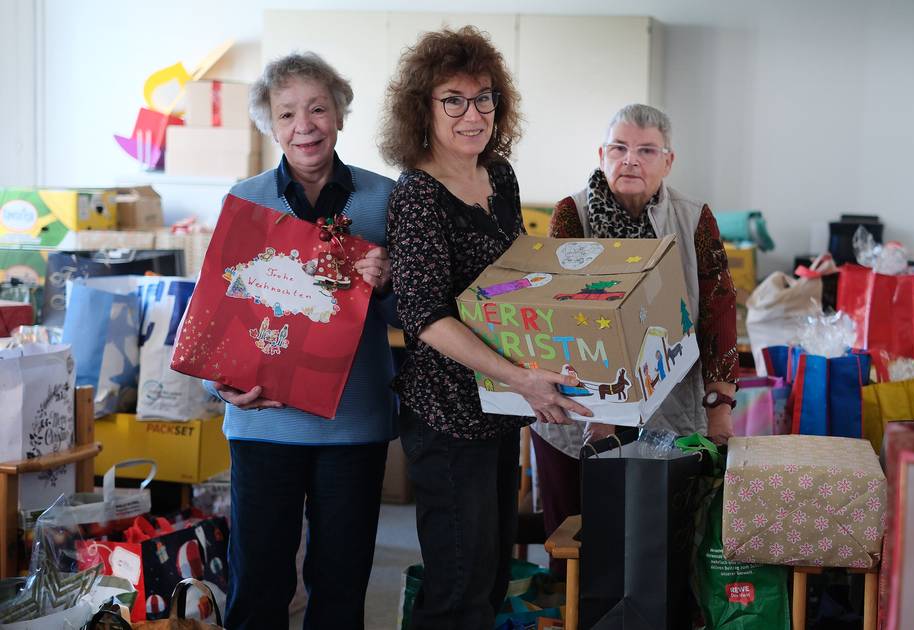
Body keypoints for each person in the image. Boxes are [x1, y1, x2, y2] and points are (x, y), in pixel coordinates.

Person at [381, 27, 593, 629]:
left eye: (484, 98)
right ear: (422, 107)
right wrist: (521, 377)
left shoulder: (499, 177)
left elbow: (513, 284)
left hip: (499, 405)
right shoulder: (417, 195)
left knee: (494, 574)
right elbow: (426, 318)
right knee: (457, 586)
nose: (471, 114)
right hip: (447, 416)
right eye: (453, 99)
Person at [202, 52, 396, 630]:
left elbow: (411, 315)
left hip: (353, 424)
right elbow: (220, 314)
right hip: (263, 422)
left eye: (317, 108)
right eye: (287, 113)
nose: (304, 125)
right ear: (271, 122)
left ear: (339, 115)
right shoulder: (246, 198)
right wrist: (221, 384)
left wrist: (386, 283)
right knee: (258, 582)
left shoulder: (384, 199)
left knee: (340, 587)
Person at [530, 104, 739, 575]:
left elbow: (718, 308)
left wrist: (719, 406)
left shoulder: (693, 217)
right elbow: (561, 314)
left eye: (646, 150)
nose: (631, 160)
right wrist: (603, 412)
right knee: (579, 538)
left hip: (669, 397)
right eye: (620, 148)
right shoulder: (571, 212)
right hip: (578, 401)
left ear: (668, 162)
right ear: (602, 154)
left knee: (661, 540)